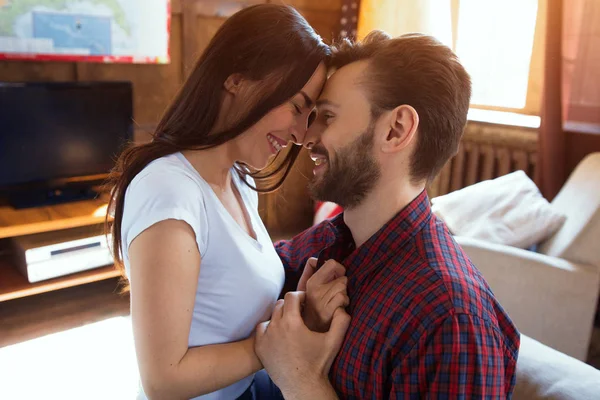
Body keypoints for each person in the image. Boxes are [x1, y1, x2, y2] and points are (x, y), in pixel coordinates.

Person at [255, 31, 520, 399]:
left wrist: (301, 379)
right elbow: (246, 280)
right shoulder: (335, 239)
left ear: (396, 130)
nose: (305, 136)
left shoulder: (451, 321)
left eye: (327, 116)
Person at [105, 4, 332, 399]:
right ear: (236, 79)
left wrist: (298, 311)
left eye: (310, 115)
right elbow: (164, 380)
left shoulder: (239, 181)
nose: (300, 133)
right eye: (297, 106)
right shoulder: (169, 192)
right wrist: (272, 346)